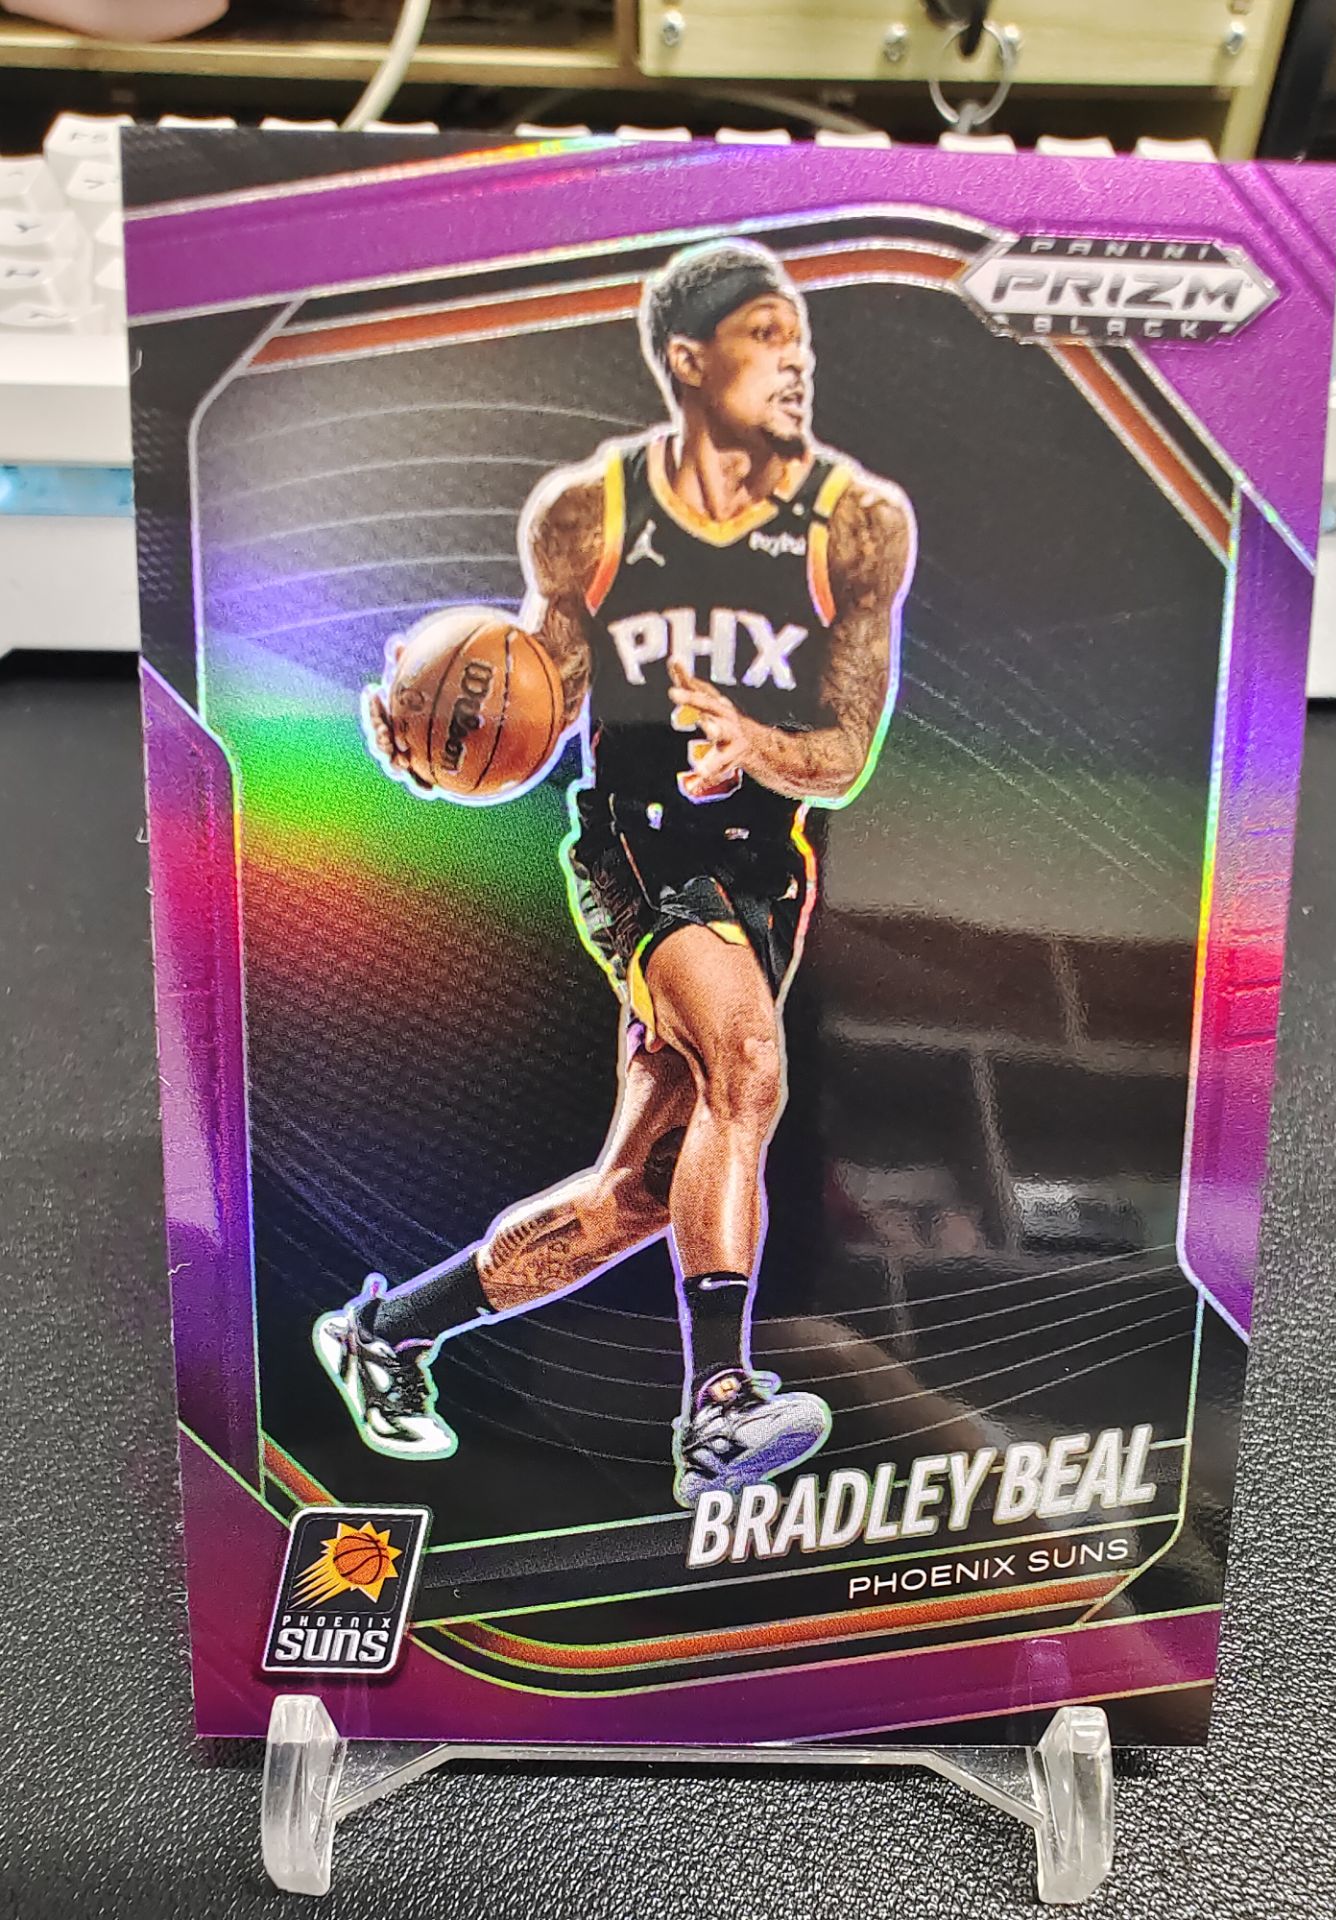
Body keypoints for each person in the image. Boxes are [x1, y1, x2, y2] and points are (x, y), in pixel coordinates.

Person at [314, 237, 916, 1508]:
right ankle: (720, 1409)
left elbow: (847, 753)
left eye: (799, 333)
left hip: (766, 871)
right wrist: (431, 737)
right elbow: (535, 708)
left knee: (638, 1192)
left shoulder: (859, 526)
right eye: (766, 335)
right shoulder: (587, 516)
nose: (796, 358)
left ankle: (388, 1331)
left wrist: (758, 746)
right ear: (689, 360)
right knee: (748, 1063)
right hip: (638, 848)